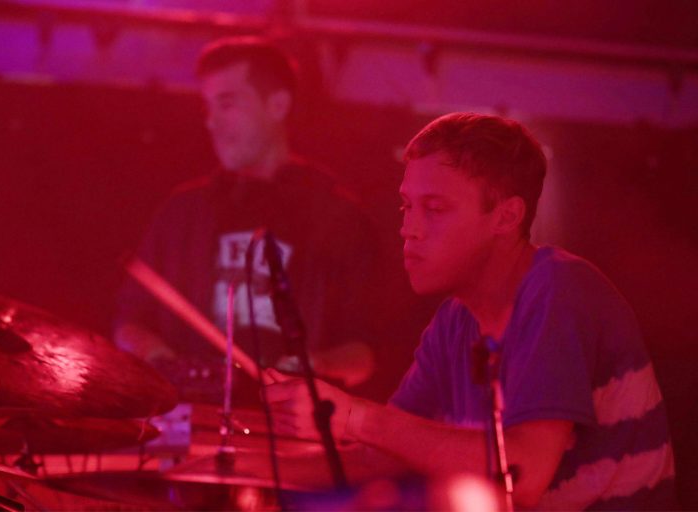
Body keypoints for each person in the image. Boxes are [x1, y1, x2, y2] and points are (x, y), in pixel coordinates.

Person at [266, 112, 676, 510]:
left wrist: (355, 417)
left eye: (434, 209)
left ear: (506, 216)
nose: (409, 229)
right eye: (406, 207)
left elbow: (521, 476)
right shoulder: (454, 321)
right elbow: (381, 458)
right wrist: (238, 464)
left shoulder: (558, 291)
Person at [114, 37, 379, 404]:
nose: (212, 122)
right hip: (190, 418)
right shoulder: (182, 212)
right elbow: (129, 324)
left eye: (226, 104)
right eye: (207, 107)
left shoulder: (339, 218)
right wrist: (162, 359)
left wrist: (311, 366)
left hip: (291, 428)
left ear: (278, 105)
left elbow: (367, 353)